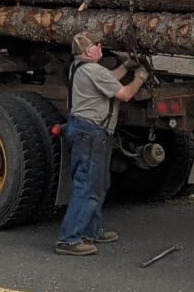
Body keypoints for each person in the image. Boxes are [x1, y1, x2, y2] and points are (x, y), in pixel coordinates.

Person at [56, 38, 145, 256]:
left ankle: (91, 231)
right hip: (90, 132)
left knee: (99, 183)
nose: (101, 49)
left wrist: (125, 67)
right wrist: (141, 77)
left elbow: (109, 79)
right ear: (87, 50)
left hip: (91, 131)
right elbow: (124, 94)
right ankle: (69, 240)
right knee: (87, 185)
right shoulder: (92, 70)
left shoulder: (80, 68)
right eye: (97, 45)